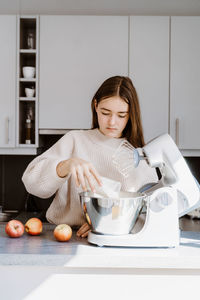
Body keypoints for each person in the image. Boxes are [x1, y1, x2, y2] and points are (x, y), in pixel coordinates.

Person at [22, 76, 158, 237]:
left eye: (121, 115)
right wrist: (66, 165)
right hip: (65, 236)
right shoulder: (75, 140)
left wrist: (105, 222)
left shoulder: (140, 156)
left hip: (115, 238)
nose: (112, 122)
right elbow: (32, 184)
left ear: (131, 115)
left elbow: (150, 210)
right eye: (105, 112)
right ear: (95, 106)